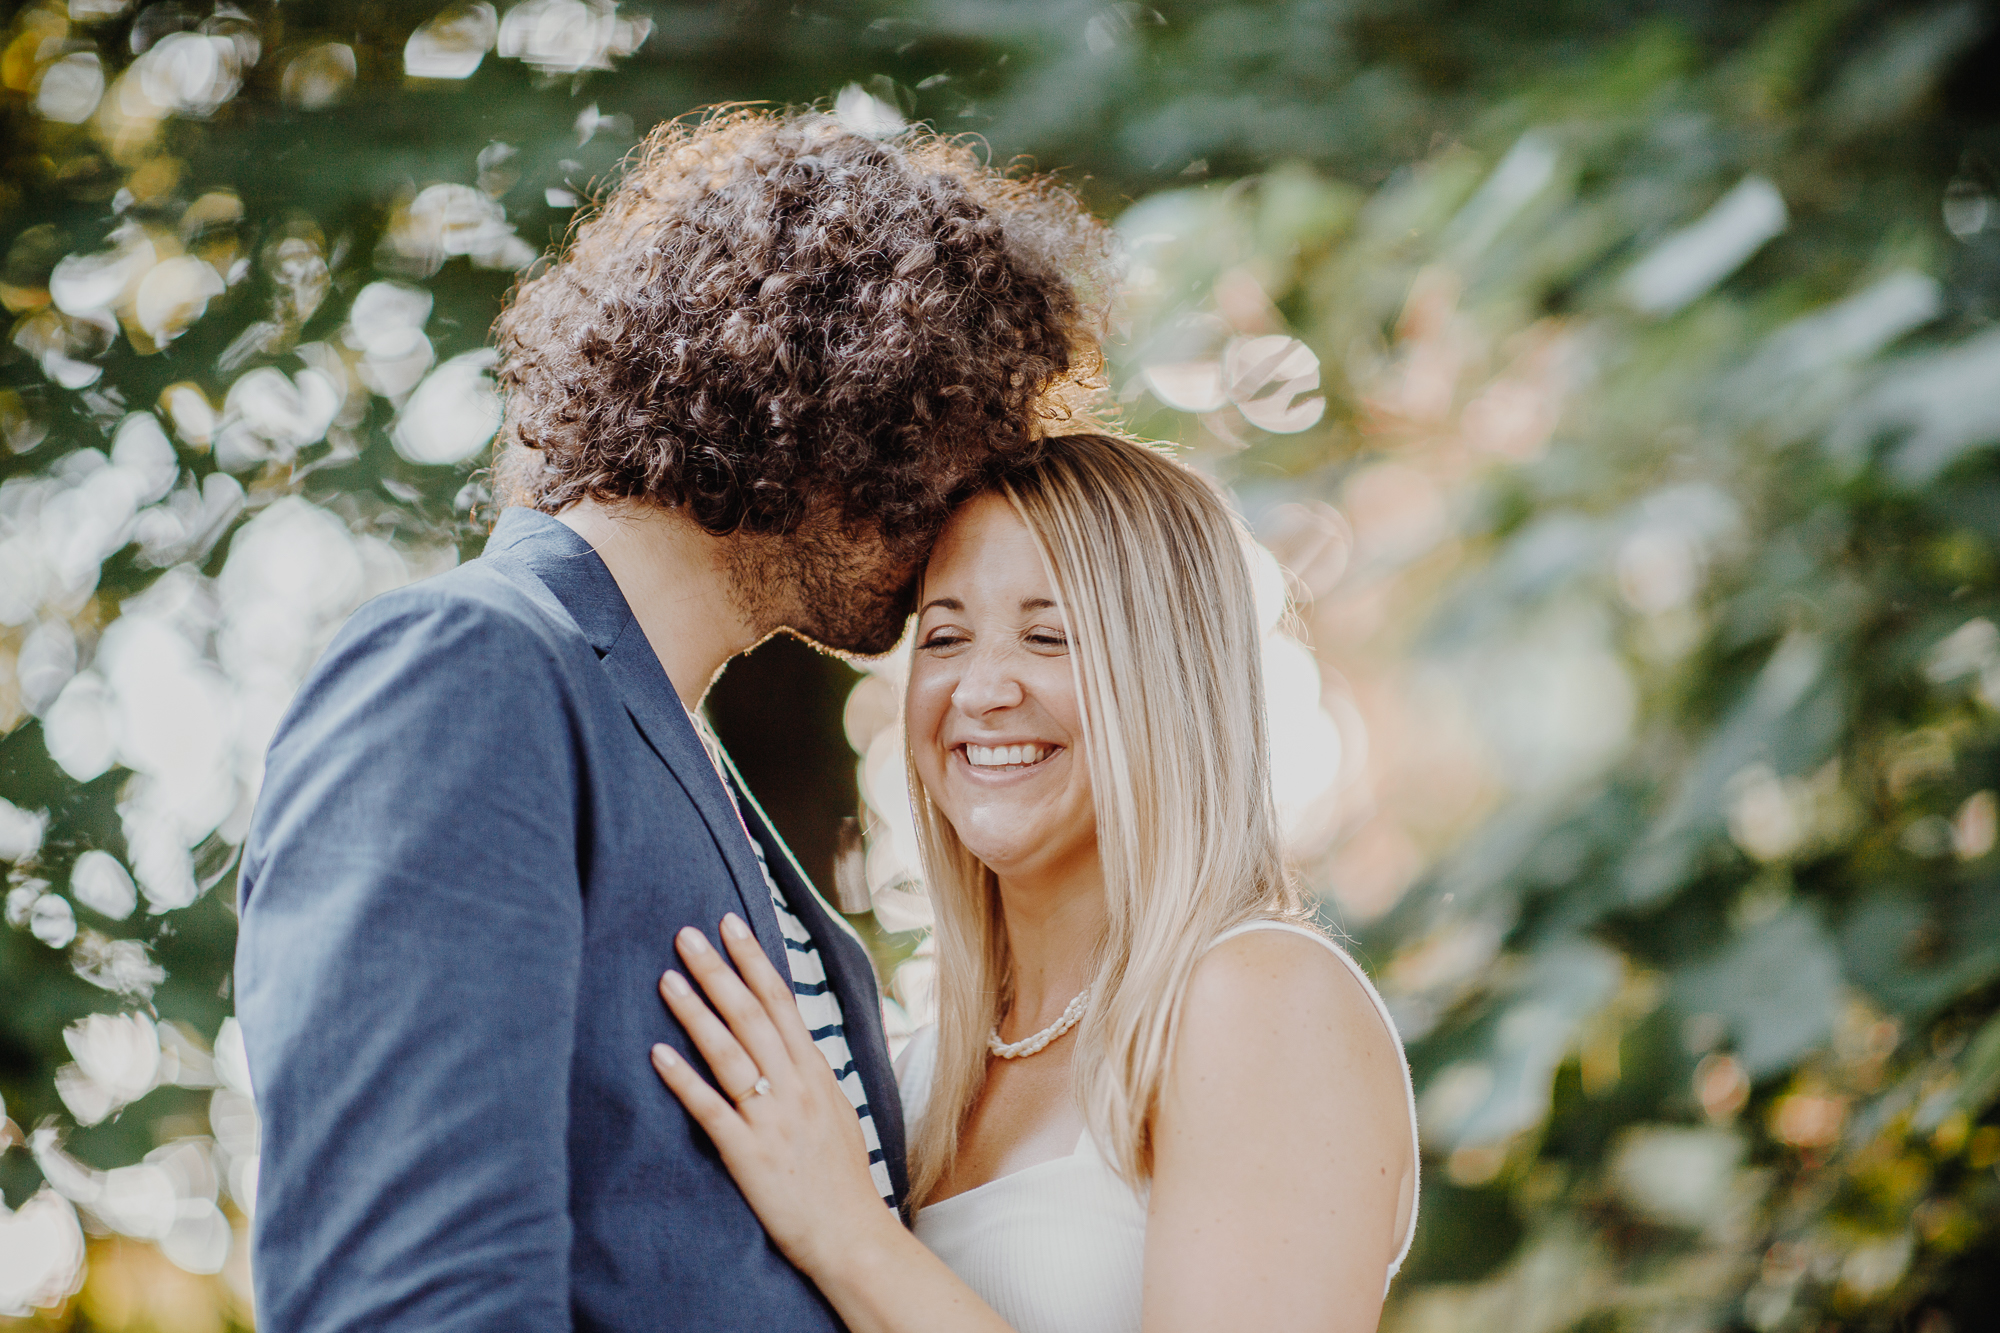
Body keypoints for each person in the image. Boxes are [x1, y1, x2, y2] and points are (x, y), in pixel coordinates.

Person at [233, 108, 1109, 1331]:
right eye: (964, 443)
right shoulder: (471, 669)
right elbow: (411, 1301)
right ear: (851, 396)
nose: (962, 511)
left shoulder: (670, 739)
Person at [652, 431, 1421, 1333]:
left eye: (1047, 635)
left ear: (1169, 677)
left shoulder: (1260, 997)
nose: (979, 689)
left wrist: (851, 1237)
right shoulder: (916, 1075)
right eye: (944, 636)